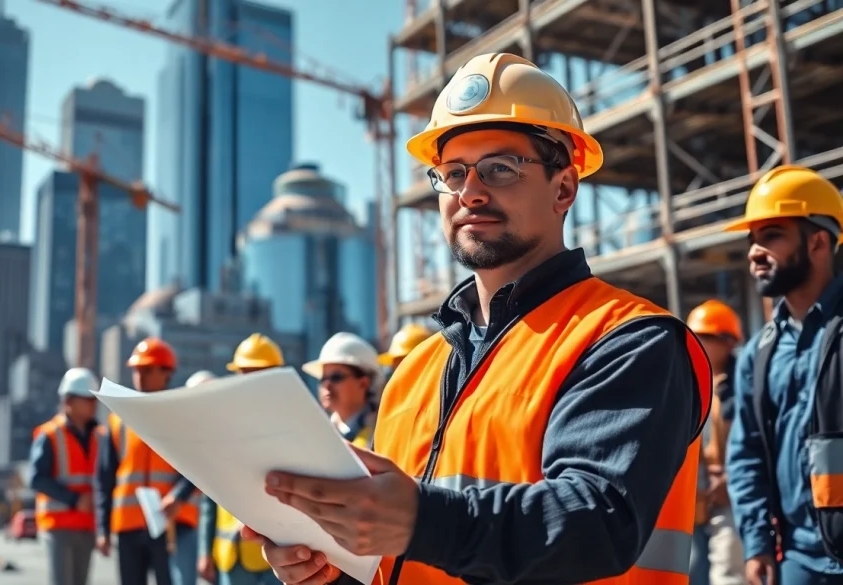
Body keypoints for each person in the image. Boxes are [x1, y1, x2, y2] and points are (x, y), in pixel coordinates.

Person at [244, 52, 713, 585]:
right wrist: (333, 572)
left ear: (564, 188)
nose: (470, 192)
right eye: (452, 174)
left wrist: (420, 520)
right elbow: (399, 562)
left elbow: (597, 522)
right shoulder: (414, 374)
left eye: (499, 168)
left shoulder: (630, 340)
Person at [724, 165, 843, 585]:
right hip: (797, 559)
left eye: (772, 235)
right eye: (752, 240)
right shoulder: (758, 352)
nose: (755, 252)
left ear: (818, 242)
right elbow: (747, 454)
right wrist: (757, 544)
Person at [95, 338, 199, 585]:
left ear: (167, 373)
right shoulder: (117, 420)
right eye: (136, 370)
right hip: (128, 525)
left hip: (171, 524)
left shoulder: (181, 417)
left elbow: (197, 465)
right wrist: (103, 529)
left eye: (147, 369)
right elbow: (104, 478)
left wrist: (179, 496)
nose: (139, 376)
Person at [197, 333, 284, 585]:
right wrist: (205, 552)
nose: (249, 380)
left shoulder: (289, 425)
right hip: (231, 556)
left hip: (275, 557)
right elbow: (209, 498)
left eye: (258, 373)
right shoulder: (222, 429)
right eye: (244, 373)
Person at [686, 300, 746, 585]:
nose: (697, 343)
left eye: (705, 338)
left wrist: (730, 479)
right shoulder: (688, 383)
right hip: (694, 498)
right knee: (692, 572)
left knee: (728, 574)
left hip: (730, 497)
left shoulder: (743, 386)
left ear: (728, 341)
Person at [29, 367, 101, 585]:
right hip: (58, 525)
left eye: (94, 399)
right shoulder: (49, 434)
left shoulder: (99, 436)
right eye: (87, 399)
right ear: (69, 400)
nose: (93, 404)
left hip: (87, 525)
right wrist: (74, 500)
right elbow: (37, 478)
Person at [302, 332, 382, 447]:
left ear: (363, 384)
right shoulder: (316, 435)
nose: (327, 385)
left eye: (336, 377)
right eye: (323, 378)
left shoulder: (383, 430)